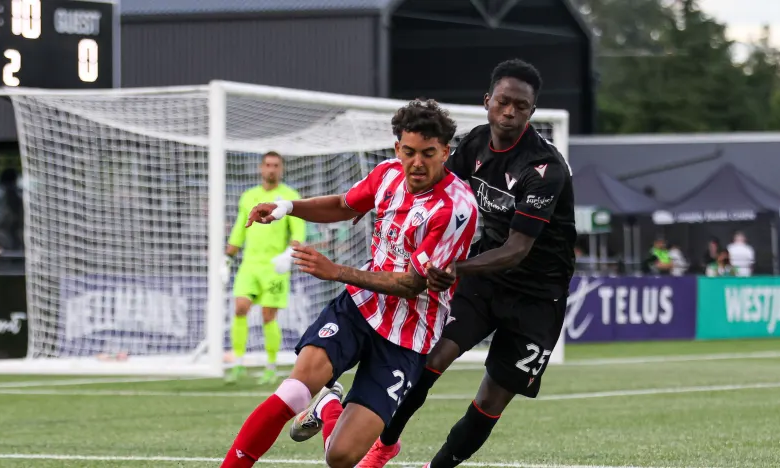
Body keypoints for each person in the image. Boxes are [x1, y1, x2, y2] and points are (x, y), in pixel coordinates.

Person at [219, 99, 479, 468]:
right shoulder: (388, 174)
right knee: (294, 391)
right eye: (408, 152)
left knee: (340, 458)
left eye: (428, 153)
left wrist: (337, 271)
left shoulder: (455, 208)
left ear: (445, 152)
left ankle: (327, 406)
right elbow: (345, 204)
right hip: (360, 307)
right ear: (396, 149)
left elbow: (411, 284)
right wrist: (289, 208)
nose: (416, 162)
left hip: (408, 333)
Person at [357, 58, 576, 468]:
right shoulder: (474, 144)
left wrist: (455, 268)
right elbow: (433, 190)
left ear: (532, 111)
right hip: (483, 280)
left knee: (492, 398)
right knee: (431, 358)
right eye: (504, 102)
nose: (510, 112)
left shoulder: (546, 169)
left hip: (538, 296)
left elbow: (517, 249)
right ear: (488, 100)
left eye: (522, 107)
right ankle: (384, 445)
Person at [225, 151, 306, 385]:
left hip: (274, 266)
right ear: (261, 168)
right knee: (240, 307)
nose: (271, 169)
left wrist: (288, 255)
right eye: (268, 165)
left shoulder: (289, 197)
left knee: (268, 315)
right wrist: (227, 258)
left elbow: (298, 231)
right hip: (250, 264)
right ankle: (238, 363)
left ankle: (271, 366)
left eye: (276, 165)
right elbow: (240, 228)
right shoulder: (249, 196)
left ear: (281, 169)